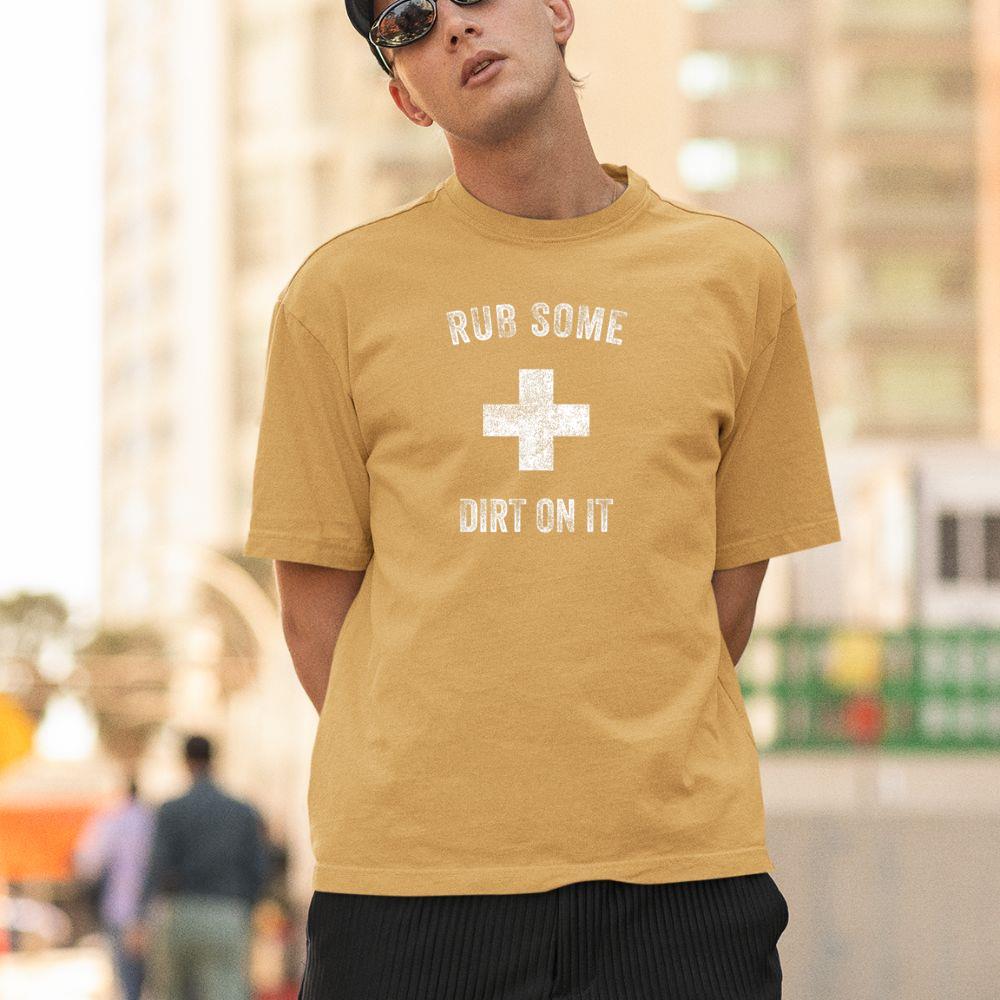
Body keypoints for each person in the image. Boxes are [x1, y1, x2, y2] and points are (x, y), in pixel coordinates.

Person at [243, 1, 843, 996]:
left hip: (677, 879)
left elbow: (726, 593)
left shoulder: (734, 279)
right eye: (409, 20)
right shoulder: (337, 296)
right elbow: (315, 621)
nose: (453, 27)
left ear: (559, 11)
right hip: (411, 888)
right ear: (405, 98)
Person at [125, 734, 271, 1000]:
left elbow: (157, 865)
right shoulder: (243, 812)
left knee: (171, 992)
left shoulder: (171, 810)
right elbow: (259, 868)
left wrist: (140, 917)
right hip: (227, 912)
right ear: (213, 760)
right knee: (227, 992)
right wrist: (246, 906)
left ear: (185, 761)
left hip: (180, 911)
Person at [73, 774, 155, 1000]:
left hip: (121, 910)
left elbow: (88, 863)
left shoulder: (111, 820)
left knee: (129, 983)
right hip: (156, 912)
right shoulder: (153, 819)